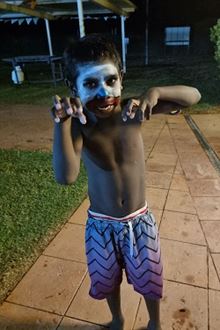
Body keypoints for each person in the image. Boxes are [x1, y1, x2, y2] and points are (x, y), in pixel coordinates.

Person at [52, 34, 201, 330]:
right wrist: (62, 123)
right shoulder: (80, 129)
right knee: (107, 281)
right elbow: (66, 177)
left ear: (121, 78)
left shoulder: (133, 112)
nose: (104, 93)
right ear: (74, 89)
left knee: (150, 279)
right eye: (90, 84)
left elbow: (193, 95)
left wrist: (156, 91)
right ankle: (117, 319)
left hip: (139, 221)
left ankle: (154, 323)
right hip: (101, 224)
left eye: (110, 81)